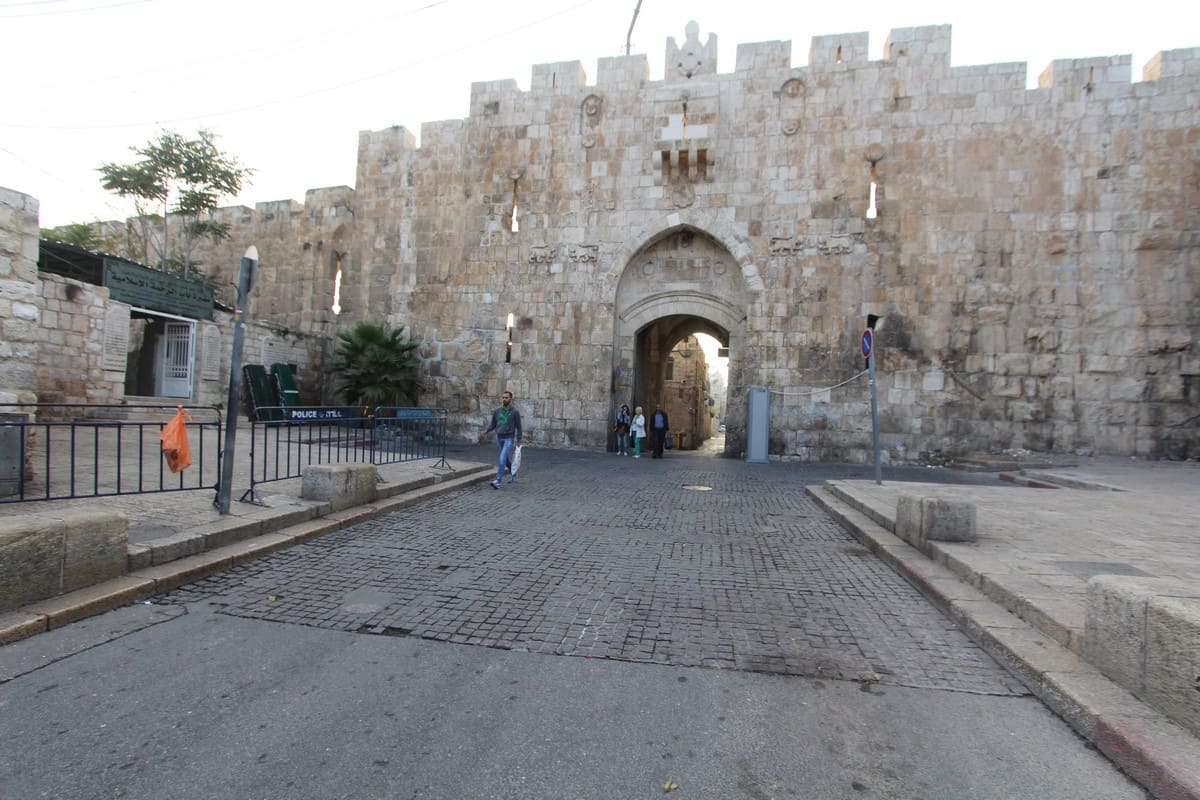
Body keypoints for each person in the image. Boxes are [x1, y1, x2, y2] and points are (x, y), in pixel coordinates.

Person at [484, 390, 523, 488]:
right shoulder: (497, 411)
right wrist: (486, 431)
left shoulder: (515, 412)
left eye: (506, 397)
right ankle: (513, 473)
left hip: (509, 438)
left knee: (502, 458)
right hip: (500, 438)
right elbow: (493, 424)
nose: (504, 399)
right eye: (503, 397)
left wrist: (518, 440)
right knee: (505, 459)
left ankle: (498, 480)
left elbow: (519, 427)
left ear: (510, 399)